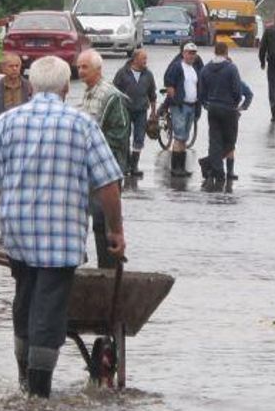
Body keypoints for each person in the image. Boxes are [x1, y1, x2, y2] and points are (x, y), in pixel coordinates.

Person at [0, 56, 125, 398]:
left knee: (24, 303)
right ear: (67, 88)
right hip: (62, 240)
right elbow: (108, 184)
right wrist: (115, 231)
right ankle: (39, 396)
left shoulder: (7, 122)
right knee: (48, 315)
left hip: (17, 237)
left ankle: (25, 388)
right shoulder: (82, 125)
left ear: (32, 86)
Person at [76, 49, 130, 267]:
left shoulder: (111, 96)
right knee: (89, 216)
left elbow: (120, 134)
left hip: (107, 169)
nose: (80, 71)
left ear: (98, 69)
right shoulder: (89, 92)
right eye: (78, 67)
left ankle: (110, 267)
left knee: (104, 219)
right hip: (88, 168)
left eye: (84, 67)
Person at [197, 42, 253, 191]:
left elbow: (201, 92)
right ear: (226, 52)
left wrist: (206, 104)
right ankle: (209, 164)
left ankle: (217, 171)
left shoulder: (205, 69)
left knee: (214, 141)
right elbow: (236, 89)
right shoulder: (231, 68)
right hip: (228, 109)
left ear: (215, 52)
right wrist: (235, 104)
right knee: (230, 142)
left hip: (213, 108)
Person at [113, 48, 158, 178]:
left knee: (139, 138)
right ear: (135, 59)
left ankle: (134, 165)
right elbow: (114, 92)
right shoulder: (122, 73)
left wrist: (153, 112)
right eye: (143, 58)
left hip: (141, 111)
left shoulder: (148, 74)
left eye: (146, 58)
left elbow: (152, 95)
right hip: (125, 110)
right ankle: (125, 165)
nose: (145, 61)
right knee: (124, 137)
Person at [163, 42, 204, 176]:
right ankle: (175, 167)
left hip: (192, 106)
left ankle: (182, 167)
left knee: (185, 137)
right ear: (183, 53)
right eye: (189, 53)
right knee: (179, 137)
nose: (191, 56)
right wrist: (175, 100)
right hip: (180, 106)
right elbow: (169, 82)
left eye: (194, 53)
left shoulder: (194, 69)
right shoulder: (177, 67)